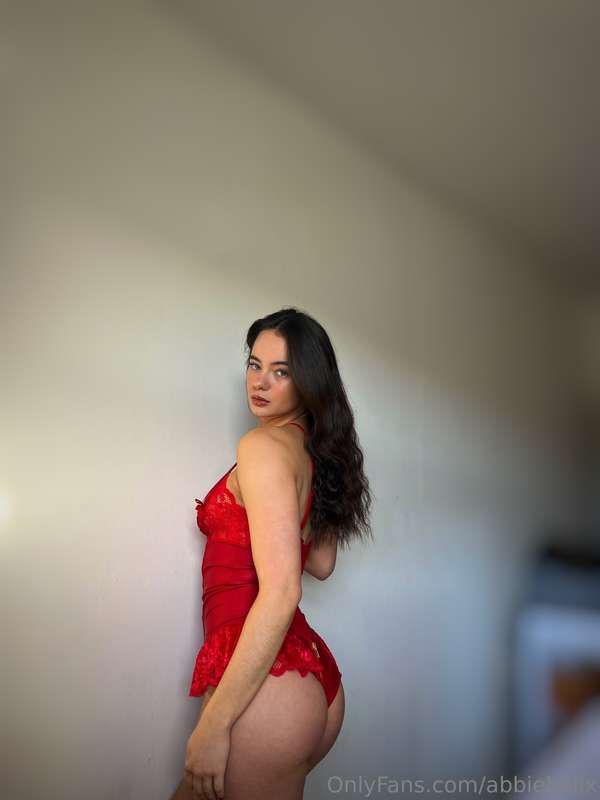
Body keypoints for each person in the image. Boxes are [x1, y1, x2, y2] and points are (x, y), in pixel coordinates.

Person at [171, 308, 373, 800]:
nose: (259, 382)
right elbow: (321, 563)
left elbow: (283, 592)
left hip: (267, 684)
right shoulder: (309, 454)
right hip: (305, 673)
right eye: (254, 364)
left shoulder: (262, 447)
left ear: (308, 383)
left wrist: (214, 725)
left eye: (281, 372)